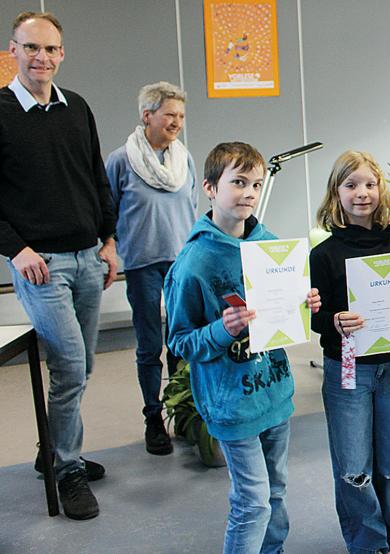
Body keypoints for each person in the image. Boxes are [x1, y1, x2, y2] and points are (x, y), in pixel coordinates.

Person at [164, 142, 321, 553]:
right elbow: (180, 341)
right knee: (252, 503)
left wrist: (305, 304)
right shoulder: (194, 263)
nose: (249, 192)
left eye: (255, 183)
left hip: (273, 392)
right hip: (231, 403)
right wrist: (222, 329)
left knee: (276, 493)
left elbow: (286, 317)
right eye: (238, 182)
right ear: (210, 188)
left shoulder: (271, 247)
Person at [1, 11, 116, 520]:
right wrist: (16, 250)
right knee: (70, 364)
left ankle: (52, 449)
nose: (40, 57)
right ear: (13, 49)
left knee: (83, 364)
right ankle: (65, 468)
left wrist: (109, 240)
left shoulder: (78, 108)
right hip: (39, 264)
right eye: (30, 48)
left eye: (49, 49)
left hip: (88, 256)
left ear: (62, 54)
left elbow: (96, 176)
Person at [309, 151, 390, 554]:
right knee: (354, 469)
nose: (362, 193)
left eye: (370, 184)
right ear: (336, 194)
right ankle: (367, 544)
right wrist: (334, 320)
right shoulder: (323, 254)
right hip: (348, 369)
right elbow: (317, 317)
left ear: (382, 190)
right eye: (351, 185)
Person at [106, 81, 196, 456]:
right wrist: (108, 247)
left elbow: (191, 207)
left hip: (181, 263)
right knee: (148, 345)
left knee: (180, 342)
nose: (177, 122)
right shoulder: (120, 160)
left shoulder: (183, 158)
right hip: (142, 264)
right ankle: (153, 419)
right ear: (147, 115)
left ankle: (181, 412)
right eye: (169, 115)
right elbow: (107, 211)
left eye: (180, 116)